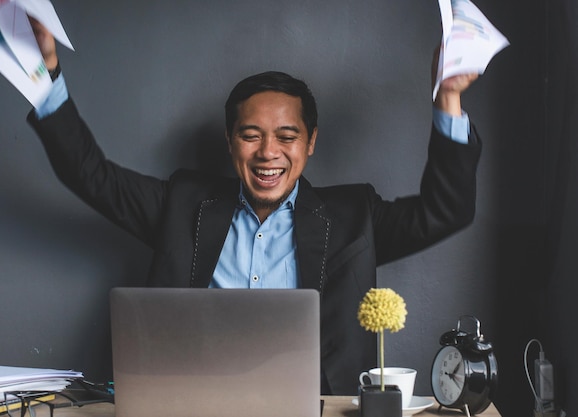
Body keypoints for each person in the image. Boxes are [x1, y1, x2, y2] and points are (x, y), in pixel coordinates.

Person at [27, 20, 482, 395]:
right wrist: (46, 67)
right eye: (251, 135)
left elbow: (447, 210)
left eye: (286, 137)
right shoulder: (184, 204)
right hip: (190, 403)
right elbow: (91, 176)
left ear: (310, 143)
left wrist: (449, 101)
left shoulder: (353, 216)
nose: (269, 152)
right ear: (230, 143)